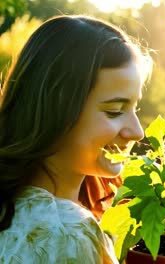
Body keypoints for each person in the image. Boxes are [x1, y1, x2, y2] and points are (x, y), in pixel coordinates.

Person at [0, 15, 151, 263]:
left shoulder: (13, 211)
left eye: (135, 108)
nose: (137, 132)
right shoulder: (65, 234)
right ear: (56, 109)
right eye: (114, 111)